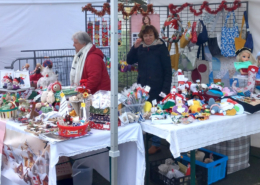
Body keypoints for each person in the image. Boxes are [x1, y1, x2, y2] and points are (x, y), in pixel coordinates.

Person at [127, 25, 172, 154]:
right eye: (145, 35)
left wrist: (165, 90)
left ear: (155, 36)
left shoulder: (161, 48)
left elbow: (168, 70)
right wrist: (134, 47)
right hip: (143, 87)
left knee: (156, 113)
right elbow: (129, 60)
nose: (148, 38)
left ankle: (156, 143)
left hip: (158, 87)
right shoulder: (140, 48)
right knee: (143, 113)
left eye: (150, 35)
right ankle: (143, 139)